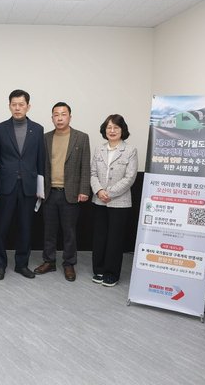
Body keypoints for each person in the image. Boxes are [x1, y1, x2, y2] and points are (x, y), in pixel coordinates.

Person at [0, 89, 45, 280]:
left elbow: (40, 160)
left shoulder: (37, 129)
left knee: (25, 227)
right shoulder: (0, 128)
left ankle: (22, 264)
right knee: (1, 228)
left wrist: (40, 188)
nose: (17, 108)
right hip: (6, 186)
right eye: (14, 104)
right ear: (9, 106)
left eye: (21, 104)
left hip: (28, 186)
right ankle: (0, 265)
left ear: (28, 106)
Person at [34, 102, 90, 281]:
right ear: (52, 118)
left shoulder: (81, 137)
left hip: (70, 192)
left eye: (63, 114)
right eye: (56, 115)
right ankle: (49, 261)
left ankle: (69, 264)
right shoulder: (45, 138)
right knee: (49, 231)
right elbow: (40, 165)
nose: (59, 118)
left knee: (69, 232)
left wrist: (84, 189)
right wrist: (38, 189)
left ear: (70, 117)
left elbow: (85, 166)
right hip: (49, 192)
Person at [90, 114, 138, 287]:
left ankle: (112, 273)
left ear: (122, 130)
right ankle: (99, 269)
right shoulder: (99, 149)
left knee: (114, 239)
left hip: (120, 202)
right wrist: (99, 191)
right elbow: (93, 174)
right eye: (109, 127)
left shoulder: (130, 150)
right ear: (104, 130)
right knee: (100, 237)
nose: (112, 130)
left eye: (116, 127)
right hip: (99, 200)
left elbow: (130, 177)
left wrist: (109, 192)